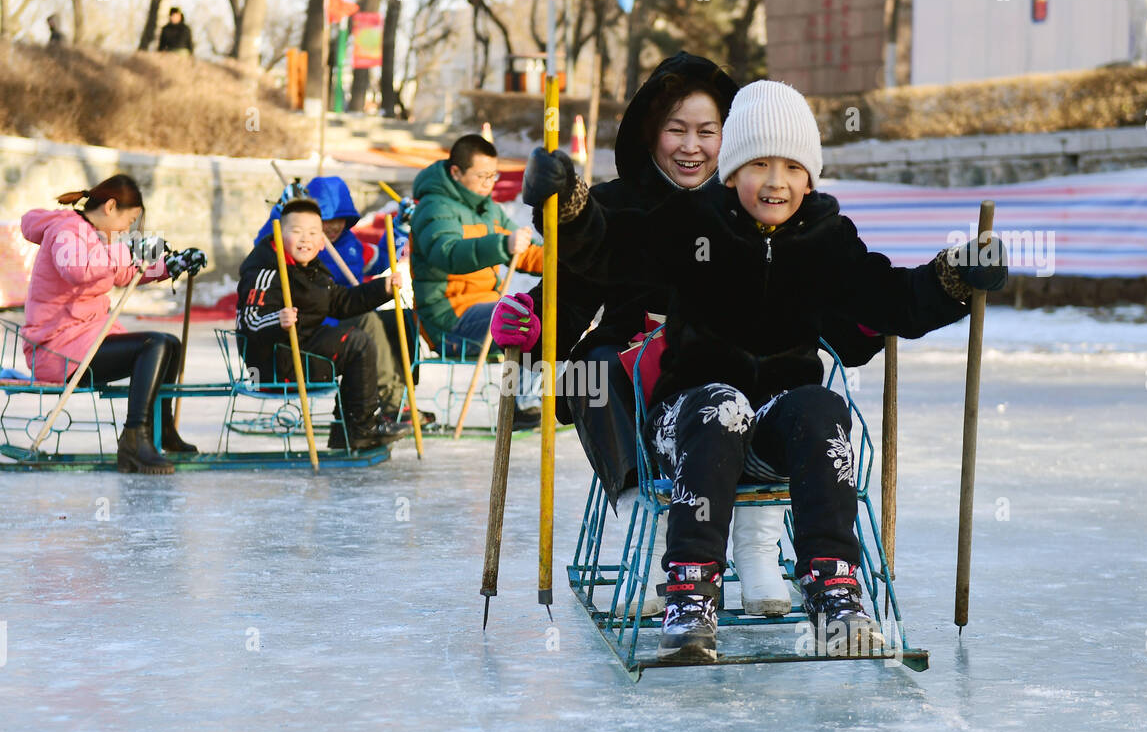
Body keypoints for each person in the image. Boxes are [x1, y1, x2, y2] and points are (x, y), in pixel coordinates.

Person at [522, 80, 1009, 662]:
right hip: (687, 419)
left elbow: (893, 299)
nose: (775, 181)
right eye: (758, 164)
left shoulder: (827, 238)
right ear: (730, 173)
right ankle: (691, 592)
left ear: (810, 178)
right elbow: (610, 247)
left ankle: (834, 587)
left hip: (775, 429)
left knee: (823, 405)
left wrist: (954, 276)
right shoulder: (691, 224)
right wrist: (570, 207)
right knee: (720, 405)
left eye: (791, 167)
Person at [494, 52, 883, 619]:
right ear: (650, 136)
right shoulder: (614, 205)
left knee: (783, 377)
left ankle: (758, 549)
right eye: (676, 130)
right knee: (591, 368)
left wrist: (872, 313)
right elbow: (572, 295)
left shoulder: (760, 209)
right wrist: (534, 322)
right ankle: (649, 531)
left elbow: (821, 310)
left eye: (708, 131)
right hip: (639, 367)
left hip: (734, 369)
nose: (691, 147)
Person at [20, 174, 207, 474]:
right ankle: (135, 439)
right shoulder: (66, 230)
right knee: (153, 344)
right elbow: (78, 269)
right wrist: (131, 250)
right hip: (56, 350)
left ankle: (161, 429)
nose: (128, 229)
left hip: (82, 341)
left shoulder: (95, 235)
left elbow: (118, 273)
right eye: (129, 220)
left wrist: (169, 266)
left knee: (169, 343)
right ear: (110, 206)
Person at [237, 197, 413, 450]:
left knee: (377, 329)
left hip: (302, 350)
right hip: (275, 363)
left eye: (312, 233)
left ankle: (349, 429)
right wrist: (278, 320)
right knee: (356, 343)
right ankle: (360, 428)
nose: (305, 239)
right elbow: (249, 321)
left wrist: (381, 288)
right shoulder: (266, 271)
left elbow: (342, 302)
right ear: (277, 235)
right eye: (296, 232)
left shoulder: (314, 272)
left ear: (322, 242)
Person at [410, 134, 545, 428]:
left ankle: (531, 398)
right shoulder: (433, 208)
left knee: (546, 309)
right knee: (527, 317)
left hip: (486, 307)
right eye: (482, 176)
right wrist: (501, 245)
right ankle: (522, 404)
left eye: (493, 175)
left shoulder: (487, 209)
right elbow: (448, 253)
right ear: (456, 173)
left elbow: (524, 253)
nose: (489, 183)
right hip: (450, 318)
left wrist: (566, 260)